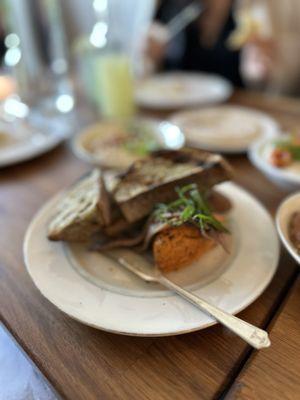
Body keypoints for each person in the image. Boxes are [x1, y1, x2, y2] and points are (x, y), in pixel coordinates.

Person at [147, 0, 243, 86]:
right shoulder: (169, 9)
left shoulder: (244, 11)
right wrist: (153, 62)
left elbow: (250, 81)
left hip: (236, 100)